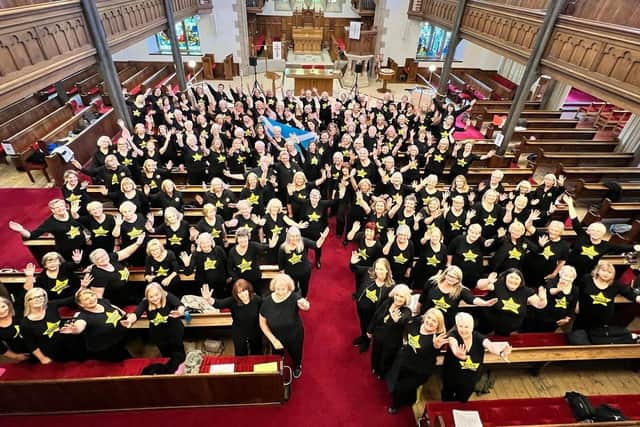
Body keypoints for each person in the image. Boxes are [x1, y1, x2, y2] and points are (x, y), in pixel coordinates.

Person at [385, 308, 448, 414]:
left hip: (419, 371)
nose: (430, 322)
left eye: (434, 321)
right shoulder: (417, 322)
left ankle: (395, 405)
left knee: (400, 388)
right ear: (424, 317)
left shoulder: (437, 340)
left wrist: (435, 347)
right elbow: (406, 322)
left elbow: (431, 358)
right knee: (397, 381)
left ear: (438, 325)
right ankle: (409, 399)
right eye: (429, 318)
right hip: (405, 362)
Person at [441, 312, 511, 402]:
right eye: (460, 326)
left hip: (470, 379)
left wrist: (501, 353)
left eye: (466, 327)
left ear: (472, 327)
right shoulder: (453, 335)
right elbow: (453, 344)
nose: (463, 330)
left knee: (462, 400)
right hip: (451, 377)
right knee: (446, 398)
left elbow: (489, 345)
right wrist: (457, 353)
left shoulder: (478, 337)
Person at [259, 274, 310, 378]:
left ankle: (297, 366)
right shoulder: (266, 301)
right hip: (276, 336)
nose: (280, 292)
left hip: (294, 335)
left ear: (289, 288)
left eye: (283, 289)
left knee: (296, 352)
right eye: (277, 289)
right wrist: (273, 340)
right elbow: (262, 322)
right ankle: (281, 357)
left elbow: (306, 306)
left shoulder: (294, 297)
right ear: (273, 287)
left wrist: (305, 304)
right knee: (278, 353)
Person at [60, 288, 130, 361]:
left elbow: (113, 307)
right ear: (81, 304)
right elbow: (80, 325)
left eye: (92, 295)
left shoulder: (102, 302)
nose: (91, 299)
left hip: (119, 339)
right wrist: (76, 329)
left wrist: (125, 314)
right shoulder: (83, 316)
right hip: (105, 350)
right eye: (87, 299)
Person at [9, 199, 89, 262]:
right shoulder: (50, 223)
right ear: (52, 210)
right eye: (57, 207)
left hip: (83, 244)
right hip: (67, 250)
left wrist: (86, 235)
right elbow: (32, 235)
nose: (61, 208)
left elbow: (81, 224)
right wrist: (21, 230)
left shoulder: (71, 212)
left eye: (62, 206)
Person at [417, 266, 497, 328]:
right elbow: (422, 299)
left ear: (458, 280)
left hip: (445, 324)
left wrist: (485, 303)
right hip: (427, 319)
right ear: (445, 274)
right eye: (450, 276)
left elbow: (472, 299)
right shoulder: (432, 282)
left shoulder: (461, 290)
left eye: (454, 278)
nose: (451, 279)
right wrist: (418, 312)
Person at [122, 283, 186, 361]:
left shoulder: (167, 296)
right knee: (166, 354)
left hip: (174, 330)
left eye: (157, 295)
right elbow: (136, 313)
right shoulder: (145, 302)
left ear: (161, 292)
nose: (155, 298)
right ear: (147, 297)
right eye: (151, 297)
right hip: (158, 333)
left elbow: (180, 305)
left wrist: (179, 312)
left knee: (178, 350)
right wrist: (129, 321)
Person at [20, 288, 85, 364]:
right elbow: (31, 344)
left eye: (41, 296)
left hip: (67, 345)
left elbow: (71, 299)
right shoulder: (25, 323)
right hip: (51, 353)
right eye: (34, 297)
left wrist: (82, 287)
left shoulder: (51, 306)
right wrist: (42, 358)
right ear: (28, 301)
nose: (39, 299)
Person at [476, 268, 548, 335]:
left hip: (512, 332)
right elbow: (480, 286)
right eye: (511, 277)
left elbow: (539, 305)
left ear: (521, 281)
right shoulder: (498, 285)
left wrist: (543, 299)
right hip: (489, 329)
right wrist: (488, 280)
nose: (513, 280)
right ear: (505, 278)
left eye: (517, 278)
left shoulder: (526, 291)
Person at [201, 280, 263, 356]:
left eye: (244, 291)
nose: (243, 294)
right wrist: (208, 299)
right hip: (239, 332)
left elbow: (267, 305)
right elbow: (218, 303)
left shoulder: (257, 299)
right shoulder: (232, 301)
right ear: (236, 294)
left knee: (257, 354)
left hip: (255, 331)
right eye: (239, 292)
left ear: (249, 290)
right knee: (240, 355)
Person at [574, 261, 640, 331]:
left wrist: (637, 298)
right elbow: (577, 291)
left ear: (613, 275)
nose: (606, 274)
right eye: (603, 270)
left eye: (609, 272)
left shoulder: (615, 284)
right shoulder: (587, 279)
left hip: (603, 322)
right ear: (598, 271)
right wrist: (576, 303)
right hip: (583, 318)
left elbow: (628, 292)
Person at [87, 232, 146, 307]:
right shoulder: (97, 274)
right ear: (94, 262)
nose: (103, 258)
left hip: (129, 291)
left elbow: (126, 253)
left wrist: (138, 243)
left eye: (104, 255)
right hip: (117, 302)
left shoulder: (111, 258)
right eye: (99, 258)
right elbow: (98, 298)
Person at [367, 284, 412, 379]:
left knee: (386, 358)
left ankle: (382, 373)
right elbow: (376, 315)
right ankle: (374, 367)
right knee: (376, 353)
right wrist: (370, 330)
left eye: (401, 297)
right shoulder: (387, 302)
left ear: (406, 299)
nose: (398, 298)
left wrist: (397, 321)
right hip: (378, 335)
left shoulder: (406, 311)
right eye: (397, 295)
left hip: (391, 342)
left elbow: (404, 319)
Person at [353, 258, 395, 352]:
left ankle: (366, 343)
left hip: (374, 314)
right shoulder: (369, 274)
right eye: (377, 268)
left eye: (381, 269)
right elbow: (354, 269)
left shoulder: (390, 287)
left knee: (369, 328)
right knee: (363, 324)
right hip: (362, 309)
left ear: (387, 270)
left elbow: (386, 306)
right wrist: (352, 262)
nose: (378, 271)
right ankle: (363, 337)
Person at [277, 226, 329, 298]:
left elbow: (317, 245)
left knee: (304, 287)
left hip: (304, 272)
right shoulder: (282, 248)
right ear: (288, 237)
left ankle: (304, 297)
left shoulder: (303, 241)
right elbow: (281, 266)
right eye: (292, 236)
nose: (295, 238)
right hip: (291, 274)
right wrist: (284, 278)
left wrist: (323, 237)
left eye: (297, 236)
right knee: (293, 289)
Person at [529, 265, 579, 332]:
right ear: (560, 274)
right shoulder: (553, 281)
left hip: (558, 320)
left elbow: (572, 306)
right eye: (566, 275)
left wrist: (567, 319)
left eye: (571, 277)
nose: (568, 278)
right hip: (544, 317)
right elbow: (550, 291)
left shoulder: (575, 289)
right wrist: (559, 289)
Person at [181, 232, 229, 298]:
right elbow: (188, 273)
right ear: (199, 244)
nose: (205, 245)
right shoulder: (196, 254)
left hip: (220, 285)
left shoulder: (218, 250)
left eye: (207, 242)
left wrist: (228, 277)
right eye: (202, 243)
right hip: (204, 287)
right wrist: (186, 265)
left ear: (211, 242)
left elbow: (226, 264)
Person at [0, 297, 30, 362]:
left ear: (8, 305)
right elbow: (1, 348)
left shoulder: (18, 312)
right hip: (26, 354)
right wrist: (15, 356)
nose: (1, 311)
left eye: (3, 306)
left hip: (42, 345)